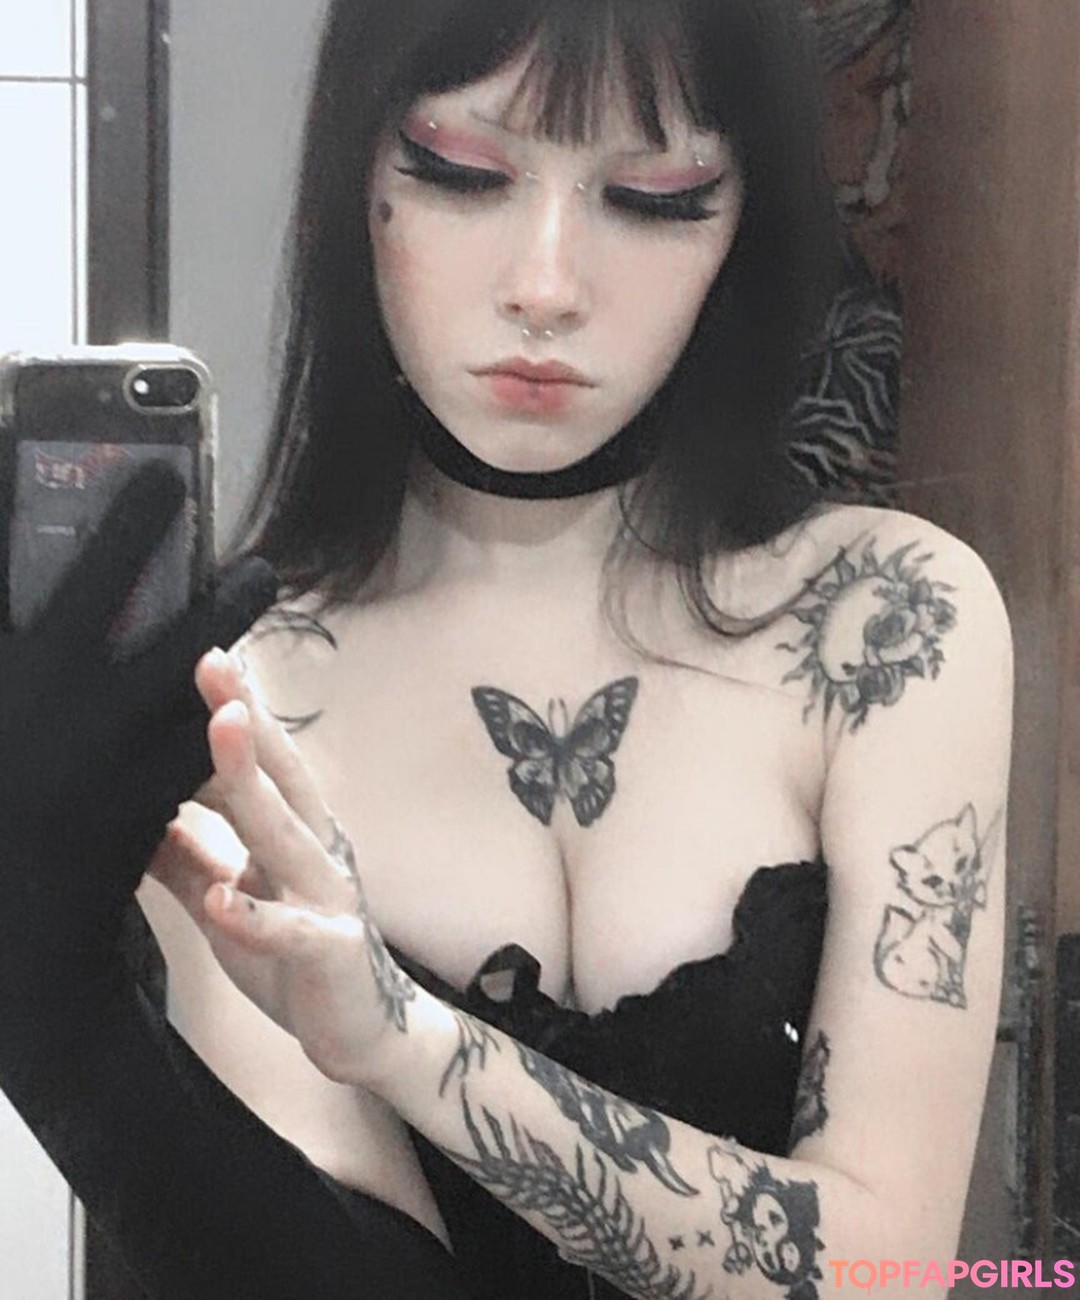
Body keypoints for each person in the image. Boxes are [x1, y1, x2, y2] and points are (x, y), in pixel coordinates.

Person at [1, 1, 1012, 1298]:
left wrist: (398, 1038)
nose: (546, 285)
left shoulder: (888, 622)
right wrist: (54, 1012)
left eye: (654, 198)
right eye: (462, 173)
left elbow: (890, 1270)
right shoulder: (243, 684)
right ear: (354, 181)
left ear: (743, 221)